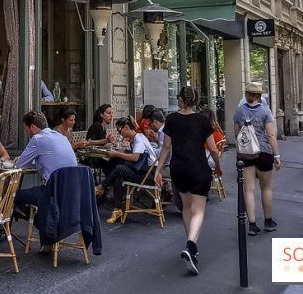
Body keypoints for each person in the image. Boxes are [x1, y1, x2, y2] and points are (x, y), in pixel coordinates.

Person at [154, 87, 221, 275]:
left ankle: (192, 246)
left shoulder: (171, 119)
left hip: (178, 168)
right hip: (198, 168)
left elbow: (166, 148)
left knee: (186, 207)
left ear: (182, 100)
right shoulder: (202, 120)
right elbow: (213, 148)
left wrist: (159, 170)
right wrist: (218, 165)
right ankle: (191, 246)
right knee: (199, 210)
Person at [233, 81, 281, 237]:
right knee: (266, 188)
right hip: (265, 153)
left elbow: (237, 135)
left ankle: (252, 224)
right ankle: (268, 221)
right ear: (260, 96)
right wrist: (277, 155)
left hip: (246, 154)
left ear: (247, 95)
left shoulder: (239, 111)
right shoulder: (266, 112)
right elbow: (271, 135)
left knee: (249, 190)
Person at [95, 116, 158, 223]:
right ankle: (117, 210)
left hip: (148, 175)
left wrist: (117, 154)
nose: (120, 133)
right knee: (118, 177)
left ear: (127, 127)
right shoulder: (136, 139)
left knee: (119, 168)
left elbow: (135, 157)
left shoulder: (138, 138)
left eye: (120, 130)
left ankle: (101, 187)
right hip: (143, 172)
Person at [13, 110, 77, 212]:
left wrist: (20, 159)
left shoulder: (38, 139)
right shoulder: (62, 137)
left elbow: (21, 164)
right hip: (73, 190)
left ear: (33, 127)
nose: (27, 134)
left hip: (53, 192)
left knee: (13, 196)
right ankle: (42, 219)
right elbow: (50, 161)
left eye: (26, 130)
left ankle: (38, 220)